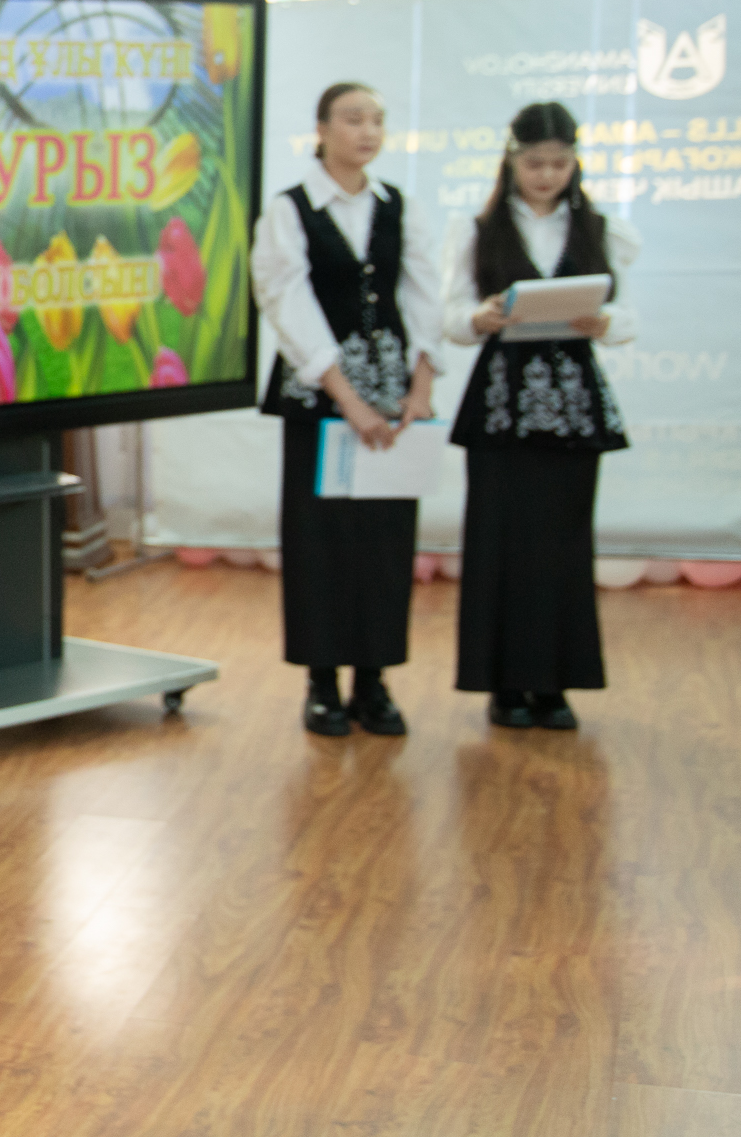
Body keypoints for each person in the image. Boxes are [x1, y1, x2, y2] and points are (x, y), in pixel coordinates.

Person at [252, 82, 443, 739]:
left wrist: (421, 385)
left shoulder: (399, 207)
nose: (367, 131)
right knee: (320, 542)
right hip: (320, 398)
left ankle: (373, 681)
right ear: (322, 128)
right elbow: (286, 303)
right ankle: (322, 682)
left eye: (377, 120)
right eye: (353, 119)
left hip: (393, 396)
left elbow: (424, 295)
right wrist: (347, 399)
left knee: (384, 541)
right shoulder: (289, 209)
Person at [442, 102, 637, 730]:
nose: (547, 175)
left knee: (563, 542)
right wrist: (480, 317)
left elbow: (628, 317)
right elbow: (451, 317)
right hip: (502, 403)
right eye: (535, 164)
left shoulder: (601, 229)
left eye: (559, 163)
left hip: (572, 403)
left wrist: (604, 323)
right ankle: (505, 684)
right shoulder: (479, 230)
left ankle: (554, 683)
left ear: (574, 162)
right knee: (499, 539)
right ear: (512, 161)